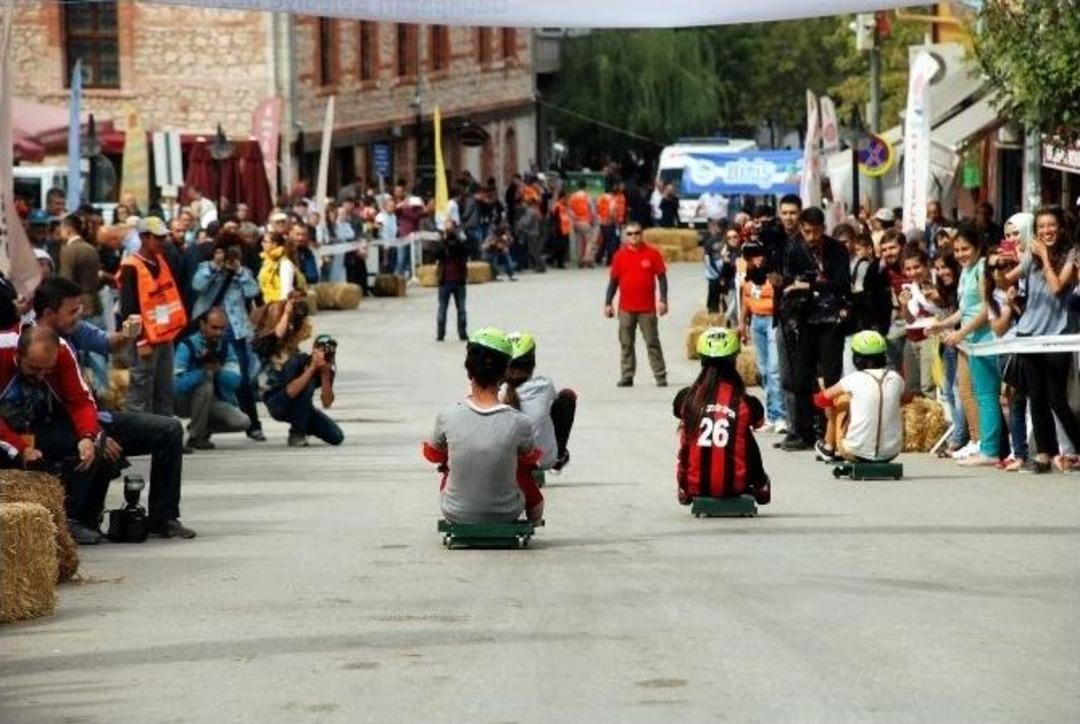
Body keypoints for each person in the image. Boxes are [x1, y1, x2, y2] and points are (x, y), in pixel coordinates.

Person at [30, 278, 194, 539]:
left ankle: (163, 518)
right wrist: (93, 433)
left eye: (79, 310)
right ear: (49, 313)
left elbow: (108, 342)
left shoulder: (73, 330)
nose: (79, 316)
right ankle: (76, 519)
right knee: (93, 443)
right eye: (72, 311)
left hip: (91, 415)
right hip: (59, 423)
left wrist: (129, 333)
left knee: (170, 429)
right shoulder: (32, 342)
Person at [422, 328, 543, 523]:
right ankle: (535, 514)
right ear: (504, 373)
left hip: (455, 512)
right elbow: (530, 459)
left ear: (470, 371)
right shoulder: (520, 422)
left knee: (449, 461)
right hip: (508, 512)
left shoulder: (448, 416)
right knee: (518, 463)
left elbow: (433, 454)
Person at [0, 326, 103, 543]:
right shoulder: (2, 351)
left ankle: (72, 518)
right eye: (35, 368)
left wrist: (87, 437)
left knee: (91, 444)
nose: (41, 376)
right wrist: (20, 448)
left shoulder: (62, 352)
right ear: (18, 356)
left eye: (48, 370)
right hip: (7, 433)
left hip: (39, 426)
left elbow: (81, 401)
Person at [1005, 206, 1080, 473]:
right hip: (1028, 333)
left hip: (1056, 335)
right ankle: (1044, 454)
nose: (1046, 231)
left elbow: (1058, 287)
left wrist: (1045, 257)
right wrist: (999, 269)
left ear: (1060, 227)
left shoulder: (1070, 254)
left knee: (1056, 399)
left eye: (1051, 225)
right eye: (1041, 227)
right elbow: (1006, 279)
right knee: (1035, 397)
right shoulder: (1029, 255)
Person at [927, 224, 1000, 467]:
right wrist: (942, 325)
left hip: (985, 341)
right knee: (969, 392)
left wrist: (961, 334)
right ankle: (981, 444)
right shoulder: (967, 271)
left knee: (986, 395)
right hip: (970, 341)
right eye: (956, 250)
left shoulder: (981, 269)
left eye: (965, 249)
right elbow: (964, 310)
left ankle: (989, 449)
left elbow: (985, 308)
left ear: (978, 247)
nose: (960, 254)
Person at [672, 327, 770, 505]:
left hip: (692, 485)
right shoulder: (746, 402)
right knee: (744, 434)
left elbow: (677, 412)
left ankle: (685, 488)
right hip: (736, 485)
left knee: (688, 427)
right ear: (734, 360)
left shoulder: (686, 397)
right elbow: (759, 423)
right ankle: (760, 484)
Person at [779, 207, 850, 450]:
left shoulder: (837, 249)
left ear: (823, 228)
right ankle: (803, 431)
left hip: (830, 320)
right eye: (807, 231)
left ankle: (831, 430)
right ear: (801, 229)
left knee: (831, 377)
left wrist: (813, 284)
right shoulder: (794, 248)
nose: (812, 237)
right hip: (804, 320)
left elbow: (842, 284)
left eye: (816, 231)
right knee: (801, 377)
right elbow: (788, 279)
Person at [191, 231, 265, 441]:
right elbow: (196, 285)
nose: (232, 256)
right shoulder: (206, 268)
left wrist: (239, 271)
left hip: (236, 331)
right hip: (207, 331)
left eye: (236, 252)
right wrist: (215, 266)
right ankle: (203, 430)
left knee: (241, 380)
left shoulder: (244, 271)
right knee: (207, 378)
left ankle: (253, 425)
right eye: (227, 252)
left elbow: (253, 291)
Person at [121, 217, 188, 416]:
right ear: (143, 237)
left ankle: (166, 439)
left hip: (165, 338)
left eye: (163, 237)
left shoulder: (161, 260)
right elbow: (128, 310)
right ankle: (137, 441)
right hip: (145, 342)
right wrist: (139, 342)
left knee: (165, 392)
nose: (162, 241)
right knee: (139, 393)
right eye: (157, 238)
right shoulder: (131, 266)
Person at [257, 301, 343, 448]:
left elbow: (327, 402)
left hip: (300, 407)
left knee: (336, 436)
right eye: (321, 349)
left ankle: (301, 423)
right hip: (278, 402)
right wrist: (310, 369)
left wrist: (324, 374)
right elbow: (289, 391)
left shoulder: (323, 366)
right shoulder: (293, 358)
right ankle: (297, 433)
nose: (324, 353)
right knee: (306, 383)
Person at [814, 331, 904, 463]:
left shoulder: (853, 379)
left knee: (841, 398)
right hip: (892, 452)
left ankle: (828, 447)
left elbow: (821, 399)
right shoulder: (897, 379)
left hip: (855, 451)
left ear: (857, 359)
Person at [174, 308, 251, 450]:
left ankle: (201, 426)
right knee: (205, 383)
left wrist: (219, 371)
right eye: (214, 328)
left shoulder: (226, 347)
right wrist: (201, 373)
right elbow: (176, 384)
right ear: (203, 324)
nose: (218, 333)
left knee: (243, 422)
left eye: (222, 328)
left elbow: (235, 381)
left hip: (213, 402)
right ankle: (196, 437)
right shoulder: (187, 345)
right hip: (184, 400)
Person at [604, 221, 668, 387]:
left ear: (642, 234)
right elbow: (613, 281)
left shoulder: (652, 254)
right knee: (626, 343)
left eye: (637, 233)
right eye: (630, 234)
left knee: (652, 342)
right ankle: (627, 375)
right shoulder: (619, 256)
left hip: (647, 309)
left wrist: (663, 300)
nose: (634, 237)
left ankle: (660, 375)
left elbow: (662, 277)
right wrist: (608, 302)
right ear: (626, 236)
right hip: (626, 308)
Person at [502, 332, 574, 472]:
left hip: (505, 465)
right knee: (567, 397)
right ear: (532, 364)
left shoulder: (495, 391)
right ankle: (558, 457)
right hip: (544, 459)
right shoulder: (545, 385)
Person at [738, 242, 785, 432]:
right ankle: (771, 415)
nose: (758, 259)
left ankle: (781, 415)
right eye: (753, 256)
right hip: (756, 321)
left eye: (760, 255)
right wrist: (742, 323)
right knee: (764, 370)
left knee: (775, 369)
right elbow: (745, 299)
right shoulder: (748, 276)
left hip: (772, 321)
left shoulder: (772, 274)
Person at [897, 246, 940, 396]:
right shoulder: (910, 287)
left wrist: (932, 297)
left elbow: (943, 310)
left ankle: (935, 418)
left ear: (927, 264)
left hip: (931, 336)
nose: (913, 272)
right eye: (908, 269)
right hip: (912, 338)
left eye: (917, 267)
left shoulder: (938, 280)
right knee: (912, 387)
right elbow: (909, 319)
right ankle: (920, 419)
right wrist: (903, 305)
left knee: (928, 386)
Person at [57, 214, 102, 320]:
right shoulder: (91, 248)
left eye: (61, 229)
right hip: (95, 302)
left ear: (68, 229)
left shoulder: (68, 250)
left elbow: (66, 281)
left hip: (78, 306)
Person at [433, 218, 470, 342]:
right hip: (446, 279)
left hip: (458, 279)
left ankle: (460, 333)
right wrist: (443, 241)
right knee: (445, 308)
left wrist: (456, 239)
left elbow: (465, 251)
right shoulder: (443, 242)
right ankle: (441, 333)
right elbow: (437, 254)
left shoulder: (460, 242)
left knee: (460, 309)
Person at [258, 231, 302, 303]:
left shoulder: (284, 263)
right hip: (269, 304)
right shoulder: (267, 262)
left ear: (275, 244)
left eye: (265, 241)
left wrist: (282, 308)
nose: (262, 244)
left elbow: (286, 291)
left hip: (280, 305)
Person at [567, 181, 596, 268]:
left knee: (579, 241)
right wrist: (593, 219)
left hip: (576, 222)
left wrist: (574, 219)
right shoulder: (586, 196)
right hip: (585, 221)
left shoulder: (572, 196)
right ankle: (587, 258)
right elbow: (592, 209)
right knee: (590, 240)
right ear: (585, 187)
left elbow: (569, 209)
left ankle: (579, 260)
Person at [516, 198, 545, 273]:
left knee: (533, 250)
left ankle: (540, 265)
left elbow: (527, 222)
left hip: (531, 233)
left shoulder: (530, 211)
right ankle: (540, 265)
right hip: (536, 232)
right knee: (536, 250)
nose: (523, 204)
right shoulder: (536, 211)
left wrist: (521, 226)